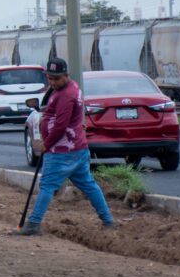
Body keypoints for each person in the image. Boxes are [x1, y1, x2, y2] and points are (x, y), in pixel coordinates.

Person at [15, 58, 116, 235]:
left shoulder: (66, 96)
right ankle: (108, 220)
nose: (53, 82)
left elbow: (61, 125)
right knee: (88, 185)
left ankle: (33, 224)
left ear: (66, 75)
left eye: (57, 78)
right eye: (50, 78)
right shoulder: (71, 88)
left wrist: (46, 144)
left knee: (47, 185)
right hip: (77, 148)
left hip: (62, 151)